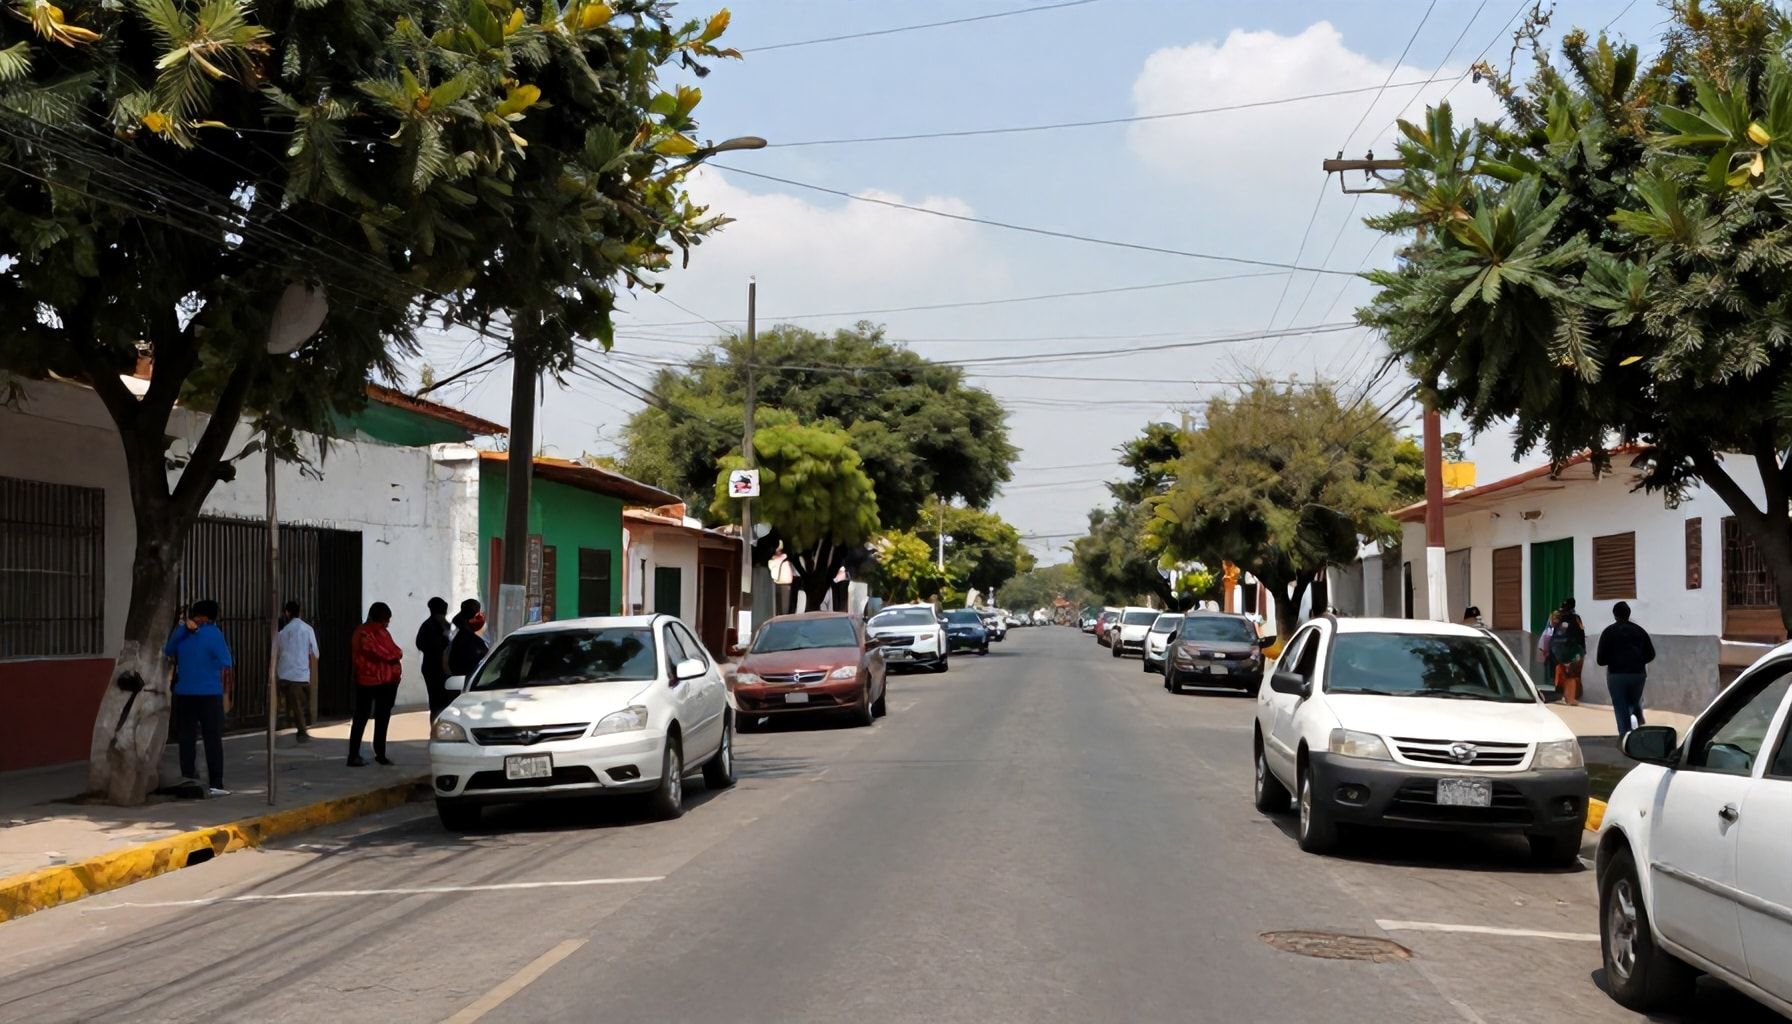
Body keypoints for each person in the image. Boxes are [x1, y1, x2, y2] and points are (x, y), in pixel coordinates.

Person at [163, 599, 233, 796]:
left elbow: (168, 651)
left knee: (186, 739)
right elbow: (227, 660)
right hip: (209, 694)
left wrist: (185, 631)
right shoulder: (214, 634)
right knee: (212, 739)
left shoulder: (181, 633)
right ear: (211, 616)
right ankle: (216, 784)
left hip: (184, 693)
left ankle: (188, 780)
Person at [347, 602, 405, 767]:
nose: (387, 623)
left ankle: (370, 753)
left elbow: (394, 651)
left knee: (370, 717)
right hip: (373, 681)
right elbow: (389, 652)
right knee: (371, 717)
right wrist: (394, 656)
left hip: (379, 681)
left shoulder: (369, 631)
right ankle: (364, 754)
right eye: (386, 619)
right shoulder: (369, 632)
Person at [1597, 601, 1656, 738]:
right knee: (1634, 699)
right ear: (1629, 614)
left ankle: (1625, 736)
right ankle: (1636, 711)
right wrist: (1639, 661)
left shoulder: (1608, 632)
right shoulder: (1640, 631)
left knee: (1620, 705)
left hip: (1616, 675)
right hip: (1638, 674)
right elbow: (1651, 654)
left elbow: (1601, 660)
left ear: (1614, 615)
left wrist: (1613, 659)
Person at [273, 599, 319, 743]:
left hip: (284, 673)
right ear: (300, 612)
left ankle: (287, 722)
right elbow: (315, 653)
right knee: (298, 703)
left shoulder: (281, 633)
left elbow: (275, 653)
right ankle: (301, 730)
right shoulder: (308, 629)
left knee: (291, 701)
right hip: (301, 674)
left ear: (286, 613)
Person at [416, 596, 453, 719]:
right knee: (437, 703)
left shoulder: (442, 625)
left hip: (437, 668)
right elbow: (421, 644)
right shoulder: (430, 626)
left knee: (440, 703)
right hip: (434, 668)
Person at [1550, 599, 1587, 706]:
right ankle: (1570, 698)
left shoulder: (1556, 616)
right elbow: (1580, 634)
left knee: (1561, 669)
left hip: (1557, 649)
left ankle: (1560, 694)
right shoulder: (1575, 618)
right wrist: (1583, 650)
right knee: (1572, 674)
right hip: (1572, 649)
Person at [449, 598, 489, 679]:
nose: (478, 614)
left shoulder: (464, 626)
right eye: (476, 610)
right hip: (462, 671)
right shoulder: (462, 628)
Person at [1537, 610, 1560, 697]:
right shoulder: (1548, 630)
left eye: (1556, 619)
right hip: (1549, 655)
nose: (1554, 621)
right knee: (1548, 672)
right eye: (1553, 619)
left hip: (1557, 656)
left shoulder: (1560, 630)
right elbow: (1542, 642)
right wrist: (1543, 651)